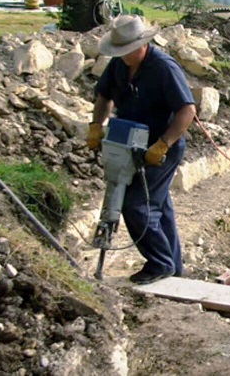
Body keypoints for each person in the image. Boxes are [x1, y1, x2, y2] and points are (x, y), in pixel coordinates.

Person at [87, 15, 196, 285]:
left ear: (143, 44)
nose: (123, 56)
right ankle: (174, 266)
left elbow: (187, 111)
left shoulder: (163, 68)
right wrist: (96, 125)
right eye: (119, 52)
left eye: (128, 51)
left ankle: (160, 264)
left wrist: (163, 144)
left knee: (136, 205)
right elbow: (104, 96)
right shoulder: (119, 65)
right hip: (128, 141)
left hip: (162, 146)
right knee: (158, 205)